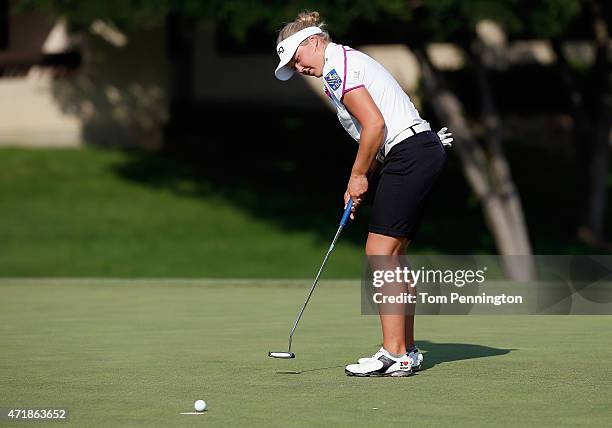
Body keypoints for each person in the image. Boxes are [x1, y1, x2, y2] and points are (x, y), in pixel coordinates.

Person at [274, 11, 452, 377]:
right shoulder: (342, 63)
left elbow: (375, 125)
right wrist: (360, 178)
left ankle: (393, 353)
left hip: (410, 153)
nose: (298, 67)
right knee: (394, 255)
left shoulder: (337, 68)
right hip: (416, 152)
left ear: (313, 42)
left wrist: (357, 176)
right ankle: (407, 351)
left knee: (379, 251)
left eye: (297, 57)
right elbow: (374, 134)